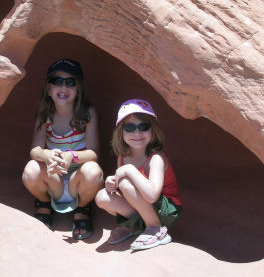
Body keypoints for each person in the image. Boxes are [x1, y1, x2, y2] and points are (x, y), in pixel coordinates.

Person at [22, 59, 103, 240]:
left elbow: (93, 153)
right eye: (58, 81)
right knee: (31, 170)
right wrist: (45, 154)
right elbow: (34, 150)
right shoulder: (45, 115)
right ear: (49, 90)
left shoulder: (87, 114)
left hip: (78, 180)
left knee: (93, 172)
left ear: (78, 89)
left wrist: (71, 156)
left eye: (70, 82)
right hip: (54, 179)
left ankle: (82, 208)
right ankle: (44, 204)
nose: (64, 87)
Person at [95, 99, 182, 250]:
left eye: (143, 126)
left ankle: (156, 228)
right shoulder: (123, 156)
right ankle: (135, 226)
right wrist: (112, 182)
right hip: (144, 205)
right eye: (129, 127)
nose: (137, 133)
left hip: (166, 210)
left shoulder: (156, 158)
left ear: (153, 130)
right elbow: (126, 190)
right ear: (121, 132)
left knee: (125, 182)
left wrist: (128, 170)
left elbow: (152, 195)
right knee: (102, 197)